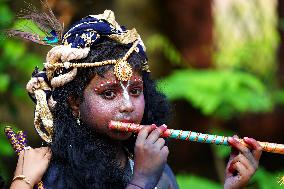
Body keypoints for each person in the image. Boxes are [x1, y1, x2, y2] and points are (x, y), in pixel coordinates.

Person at [8, 8, 262, 189]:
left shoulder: (153, 168)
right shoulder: (49, 173)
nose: (128, 106)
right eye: (108, 93)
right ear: (74, 103)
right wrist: (141, 182)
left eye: (136, 91)